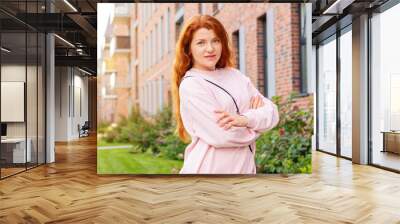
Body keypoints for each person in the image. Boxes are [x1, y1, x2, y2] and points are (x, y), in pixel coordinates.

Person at [171, 15, 279, 174]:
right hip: (209, 172)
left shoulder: (235, 75)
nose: (210, 48)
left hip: (244, 171)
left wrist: (244, 120)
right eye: (201, 43)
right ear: (188, 49)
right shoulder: (192, 84)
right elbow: (223, 136)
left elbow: (273, 113)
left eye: (216, 40)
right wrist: (258, 125)